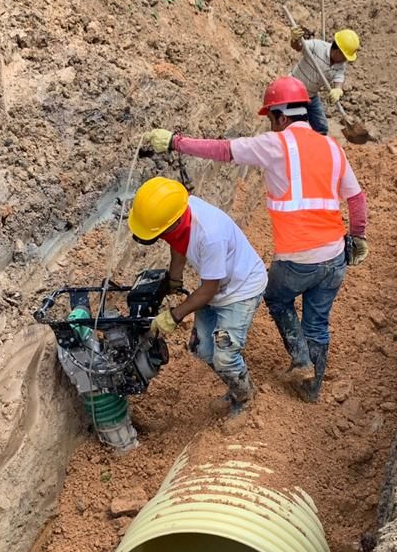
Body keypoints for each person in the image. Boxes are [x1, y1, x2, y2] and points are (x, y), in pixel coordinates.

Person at [140, 76, 369, 403]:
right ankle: (311, 390)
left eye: (271, 119)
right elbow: (356, 198)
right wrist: (358, 237)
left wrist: (175, 142)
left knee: (276, 298)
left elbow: (223, 150)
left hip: (298, 259)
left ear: (281, 116)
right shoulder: (332, 147)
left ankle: (301, 360)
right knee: (317, 323)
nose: (271, 125)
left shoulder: (275, 145)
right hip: (335, 256)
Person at [129, 177, 267, 416]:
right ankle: (235, 386)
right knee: (202, 349)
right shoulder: (179, 210)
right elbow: (177, 241)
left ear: (172, 223)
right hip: (215, 287)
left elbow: (209, 289)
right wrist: (174, 278)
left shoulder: (210, 235)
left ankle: (245, 400)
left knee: (225, 357)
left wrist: (174, 316)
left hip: (240, 290)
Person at [288, 26, 360, 135]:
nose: (346, 60)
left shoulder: (341, 64)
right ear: (338, 51)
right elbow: (298, 47)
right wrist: (295, 39)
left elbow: (339, 77)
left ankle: (318, 144)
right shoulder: (318, 46)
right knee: (295, 126)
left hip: (311, 96)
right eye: (345, 56)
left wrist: (338, 90)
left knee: (321, 128)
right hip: (293, 91)